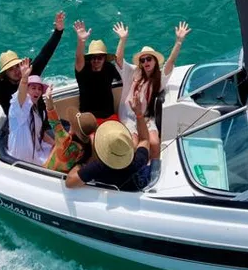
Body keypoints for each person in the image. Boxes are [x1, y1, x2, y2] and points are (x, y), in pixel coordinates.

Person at [116, 21, 191, 152]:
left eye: (149, 59)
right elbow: (119, 60)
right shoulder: (133, 72)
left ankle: (154, 164)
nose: (146, 62)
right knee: (133, 143)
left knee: (155, 142)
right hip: (128, 116)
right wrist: (122, 40)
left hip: (146, 116)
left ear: (155, 61)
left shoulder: (159, 79)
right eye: (143, 60)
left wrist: (179, 41)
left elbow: (170, 62)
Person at [65, 111, 152, 191]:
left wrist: (81, 165)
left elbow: (69, 182)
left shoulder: (97, 167)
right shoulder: (137, 161)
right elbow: (145, 140)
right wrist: (139, 114)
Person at [73, 20, 125, 122]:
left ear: (105, 58)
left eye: (99, 57)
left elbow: (120, 65)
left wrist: (122, 39)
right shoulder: (83, 69)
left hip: (108, 116)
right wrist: (81, 41)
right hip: (88, 117)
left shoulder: (109, 68)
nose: (96, 60)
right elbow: (78, 57)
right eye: (93, 57)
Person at [7, 62, 54, 165]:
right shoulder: (18, 107)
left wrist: (55, 144)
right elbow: (21, 94)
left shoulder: (38, 110)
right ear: (26, 90)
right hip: (20, 158)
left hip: (36, 153)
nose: (37, 91)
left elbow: (40, 133)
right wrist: (24, 78)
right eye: (33, 88)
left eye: (39, 89)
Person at [43, 92, 98, 173]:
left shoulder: (64, 140)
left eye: (72, 123)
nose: (70, 123)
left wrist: (48, 99)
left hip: (47, 172)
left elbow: (53, 120)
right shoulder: (86, 149)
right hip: (62, 177)